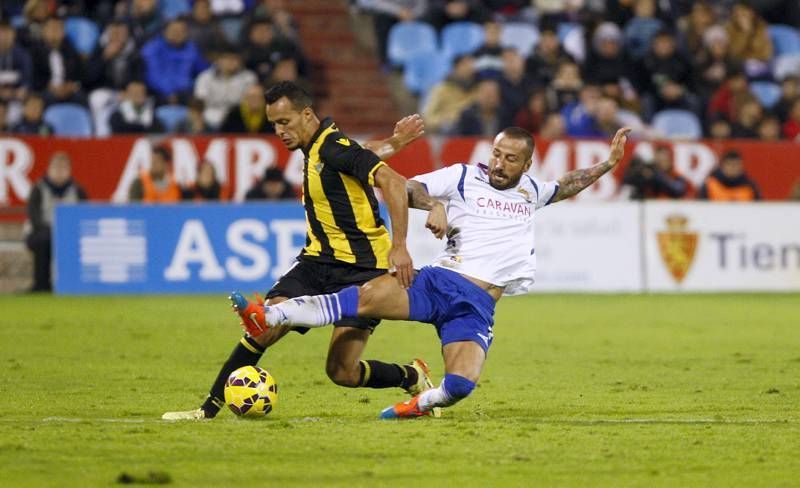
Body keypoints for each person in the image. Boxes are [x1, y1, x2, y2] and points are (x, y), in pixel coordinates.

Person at [231, 126, 632, 419]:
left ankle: (418, 403)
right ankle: (270, 314)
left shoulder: (532, 191)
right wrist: (435, 205)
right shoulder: (462, 176)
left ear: (526, 164)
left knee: (460, 386)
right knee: (367, 298)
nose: (499, 163)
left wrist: (610, 163)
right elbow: (404, 187)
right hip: (441, 282)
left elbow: (567, 184)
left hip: (476, 307)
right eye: (496, 153)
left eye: (510, 158)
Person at [163, 81, 436, 421]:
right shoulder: (321, 146)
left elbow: (393, 182)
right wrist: (395, 142)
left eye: (284, 122)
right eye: (273, 124)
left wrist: (400, 246)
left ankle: (411, 376)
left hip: (364, 270)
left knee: (342, 371)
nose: (279, 131)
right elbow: (365, 152)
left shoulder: (332, 147)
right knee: (263, 325)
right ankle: (208, 409)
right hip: (317, 262)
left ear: (306, 114)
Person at [25, 152, 87, 291]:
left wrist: (67, 231)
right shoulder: (38, 188)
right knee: (44, 240)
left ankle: (73, 283)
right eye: (56, 168)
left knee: (77, 242)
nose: (59, 172)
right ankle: (41, 284)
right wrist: (52, 230)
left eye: (63, 169)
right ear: (49, 169)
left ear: (69, 171)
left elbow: (84, 216)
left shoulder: (78, 191)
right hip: (42, 231)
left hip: (70, 233)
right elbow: (33, 215)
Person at [140, 17, 208, 104]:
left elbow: (203, 71)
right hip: (158, 94)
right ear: (164, 32)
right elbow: (152, 77)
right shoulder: (152, 48)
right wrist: (169, 93)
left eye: (182, 31)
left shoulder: (191, 48)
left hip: (185, 94)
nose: (178, 34)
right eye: (174, 30)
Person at [194, 46, 257, 129]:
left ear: (240, 61)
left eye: (234, 59)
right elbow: (199, 101)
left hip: (238, 118)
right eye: (227, 59)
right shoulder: (205, 77)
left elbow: (252, 101)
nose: (230, 62)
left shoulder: (248, 78)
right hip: (210, 117)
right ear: (219, 60)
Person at [622, 145, 692, 199]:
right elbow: (627, 182)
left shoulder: (676, 175)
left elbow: (678, 190)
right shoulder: (647, 172)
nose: (662, 163)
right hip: (650, 208)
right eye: (659, 160)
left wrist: (655, 176)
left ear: (670, 160)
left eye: (665, 159)